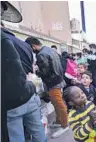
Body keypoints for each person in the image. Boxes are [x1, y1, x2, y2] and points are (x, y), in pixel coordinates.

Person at [1, 2, 45, 142]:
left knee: (16, 136)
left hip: (12, 101)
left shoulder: (4, 41)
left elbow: (15, 84)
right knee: (37, 131)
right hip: (31, 97)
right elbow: (32, 70)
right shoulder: (24, 44)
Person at [25, 37, 69, 138]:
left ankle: (65, 125)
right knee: (57, 102)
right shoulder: (50, 50)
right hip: (59, 79)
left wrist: (35, 72)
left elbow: (44, 72)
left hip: (52, 82)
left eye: (30, 48)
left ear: (33, 46)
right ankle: (60, 121)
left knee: (58, 103)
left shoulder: (41, 55)